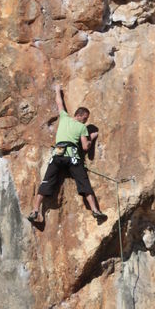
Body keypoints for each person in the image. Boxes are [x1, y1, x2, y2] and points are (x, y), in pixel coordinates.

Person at [28, 84, 107, 224]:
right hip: (72, 157)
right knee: (84, 183)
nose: (86, 121)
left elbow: (59, 103)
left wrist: (57, 90)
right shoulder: (82, 127)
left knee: (46, 181)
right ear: (80, 115)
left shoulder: (64, 118)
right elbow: (85, 147)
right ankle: (95, 210)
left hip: (58, 154)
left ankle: (35, 210)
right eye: (85, 118)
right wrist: (92, 138)